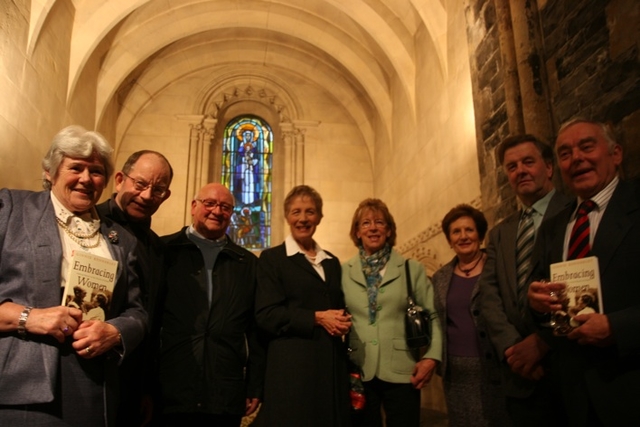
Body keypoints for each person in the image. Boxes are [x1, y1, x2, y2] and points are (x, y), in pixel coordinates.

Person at [0, 125, 146, 427]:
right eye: (75, 167)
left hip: (94, 389)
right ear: (50, 172)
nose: (86, 178)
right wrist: (29, 317)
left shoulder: (121, 239)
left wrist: (116, 332)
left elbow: (137, 312)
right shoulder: (11, 209)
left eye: (96, 171)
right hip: (19, 389)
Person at [528, 118, 640, 425]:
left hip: (630, 385)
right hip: (573, 397)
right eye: (565, 153)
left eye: (586, 147)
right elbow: (538, 301)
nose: (576, 158)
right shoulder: (553, 227)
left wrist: (617, 327)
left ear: (615, 153)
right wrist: (536, 301)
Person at [478, 134, 572, 425]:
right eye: (512, 166)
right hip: (518, 374)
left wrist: (544, 342)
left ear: (548, 167)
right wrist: (511, 349)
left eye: (528, 162)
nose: (520, 171)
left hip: (568, 366)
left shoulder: (575, 211)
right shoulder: (501, 233)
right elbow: (489, 295)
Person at [156, 183, 264, 427]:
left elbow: (255, 330)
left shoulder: (246, 264)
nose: (217, 211)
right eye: (210, 203)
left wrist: (255, 384)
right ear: (194, 207)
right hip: (171, 389)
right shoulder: (164, 251)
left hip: (224, 392)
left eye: (225, 207)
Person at [255, 185, 352, 427]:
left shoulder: (331, 261)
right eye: (296, 212)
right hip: (292, 370)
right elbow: (267, 315)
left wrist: (344, 320)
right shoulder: (272, 259)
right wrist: (317, 318)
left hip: (329, 365)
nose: (303, 218)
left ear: (319, 217)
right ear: (287, 216)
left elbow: (337, 305)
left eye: (310, 212)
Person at [342, 198, 442, 427]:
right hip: (360, 369)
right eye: (365, 223)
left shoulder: (411, 269)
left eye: (379, 222)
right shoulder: (343, 271)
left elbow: (434, 316)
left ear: (389, 230)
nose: (373, 227)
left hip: (403, 369)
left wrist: (432, 357)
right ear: (357, 232)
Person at [96, 150, 173, 426]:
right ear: (119, 180)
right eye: (139, 184)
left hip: (133, 383)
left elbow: (153, 325)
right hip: (89, 372)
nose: (146, 195)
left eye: (158, 190)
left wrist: (147, 388)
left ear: (166, 196)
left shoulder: (158, 248)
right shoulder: (88, 222)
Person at [431, 204, 509, 426]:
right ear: (449, 239)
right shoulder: (440, 277)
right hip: (456, 377)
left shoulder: (497, 267)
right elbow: (438, 321)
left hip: (495, 371)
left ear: (480, 235)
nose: (463, 236)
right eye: (456, 232)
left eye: (469, 230)